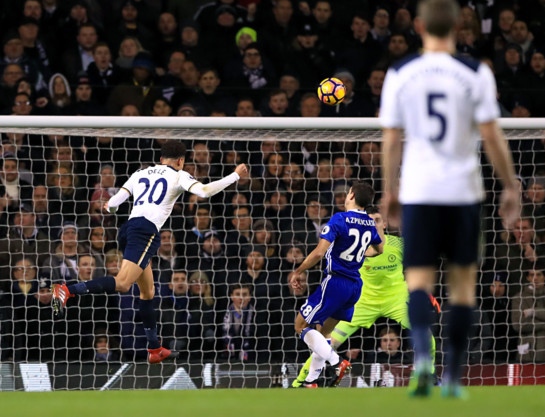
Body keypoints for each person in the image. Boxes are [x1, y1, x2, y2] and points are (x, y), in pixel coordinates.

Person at [380, 0, 520, 398]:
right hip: (463, 193)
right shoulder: (475, 71)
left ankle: (422, 359)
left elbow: (390, 139)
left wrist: (391, 190)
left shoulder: (401, 72)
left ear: (419, 27)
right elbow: (492, 134)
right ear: (459, 28)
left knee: (418, 284)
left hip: (421, 192)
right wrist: (510, 185)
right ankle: (453, 379)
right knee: (461, 288)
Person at [51, 140, 247, 364]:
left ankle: (155, 348)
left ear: (161, 158)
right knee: (123, 283)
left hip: (127, 229)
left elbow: (114, 203)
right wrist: (234, 175)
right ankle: (67, 289)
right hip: (146, 232)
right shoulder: (178, 174)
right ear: (181, 161)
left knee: (148, 292)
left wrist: (109, 207)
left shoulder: (140, 173)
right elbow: (204, 192)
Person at [292, 205, 440, 388]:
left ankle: (428, 374)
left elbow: (417, 268)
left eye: (377, 220)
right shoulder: (355, 248)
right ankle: (300, 382)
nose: (373, 224)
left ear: (384, 223)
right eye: (370, 221)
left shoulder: (398, 245)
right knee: (328, 342)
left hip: (396, 300)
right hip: (363, 302)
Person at [288, 181, 383, 388]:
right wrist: (359, 255)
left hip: (335, 282)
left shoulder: (340, 219)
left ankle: (336, 362)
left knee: (300, 325)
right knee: (323, 334)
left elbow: (319, 252)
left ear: (351, 196)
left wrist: (298, 271)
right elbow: (379, 249)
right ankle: (310, 381)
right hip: (354, 286)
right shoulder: (369, 222)